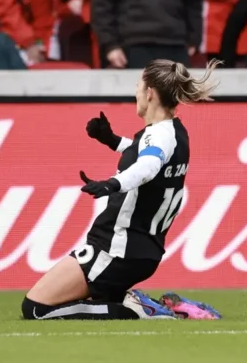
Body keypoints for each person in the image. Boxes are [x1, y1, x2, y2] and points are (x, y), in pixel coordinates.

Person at [21, 59, 223, 320]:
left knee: (36, 308)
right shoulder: (175, 132)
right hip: (141, 251)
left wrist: (112, 184)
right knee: (96, 300)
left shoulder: (157, 136)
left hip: (115, 249)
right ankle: (165, 307)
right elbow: (149, 157)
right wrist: (112, 140)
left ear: (149, 93)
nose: (135, 92)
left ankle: (138, 309)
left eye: (138, 86)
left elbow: (148, 166)